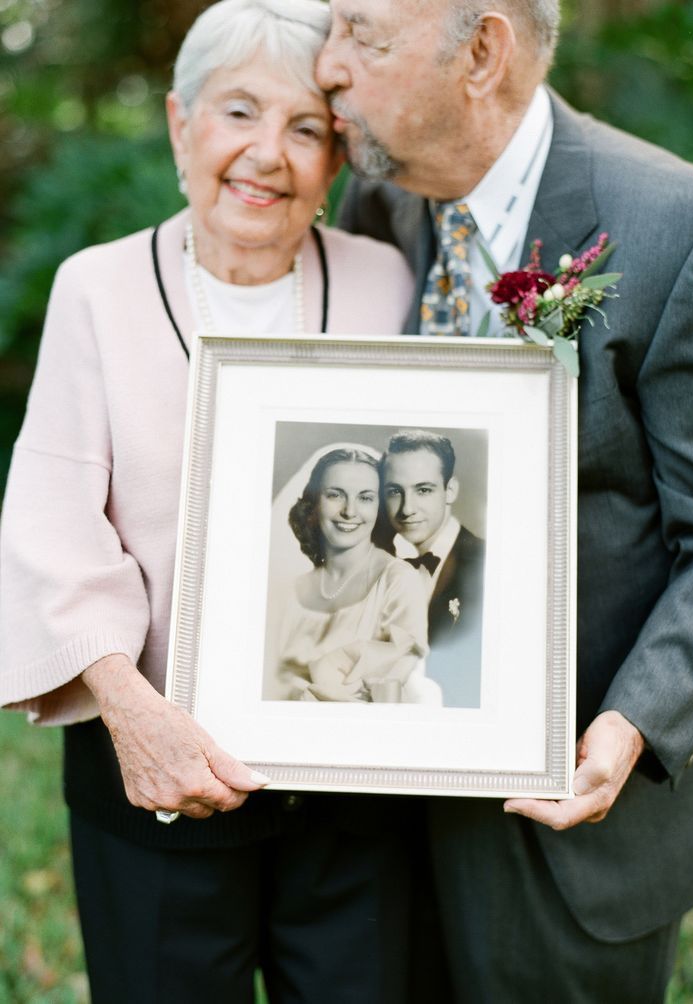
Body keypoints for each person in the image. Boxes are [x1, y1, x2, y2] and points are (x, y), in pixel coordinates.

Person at [0, 2, 420, 1002]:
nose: (268, 154)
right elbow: (54, 517)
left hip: (354, 779)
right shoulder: (94, 290)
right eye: (239, 112)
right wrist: (131, 713)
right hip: (153, 767)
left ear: (337, 160)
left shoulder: (386, 282)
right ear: (182, 122)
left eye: (307, 127)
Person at [316, 1, 693, 1001]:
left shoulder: (683, 227)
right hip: (381, 808)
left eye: (363, 37)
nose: (326, 67)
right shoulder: (378, 209)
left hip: (569, 819)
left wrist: (631, 725)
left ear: (482, 52)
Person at [278, 446, 440, 704]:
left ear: (380, 508)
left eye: (365, 498)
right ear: (314, 503)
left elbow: (393, 684)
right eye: (335, 495)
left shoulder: (398, 581)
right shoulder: (291, 589)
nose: (349, 511)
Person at [381, 430, 485, 708]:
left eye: (423, 490)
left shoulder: (486, 563)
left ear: (450, 491)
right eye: (394, 491)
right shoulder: (383, 564)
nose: (407, 508)